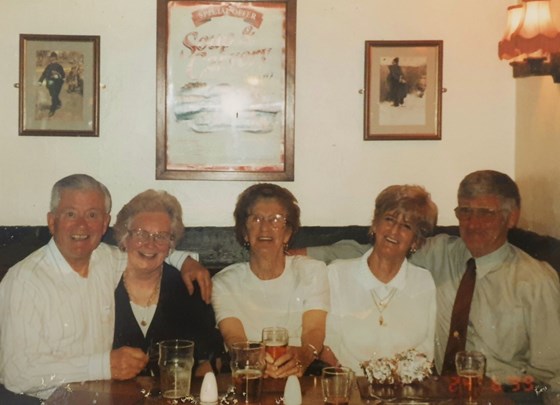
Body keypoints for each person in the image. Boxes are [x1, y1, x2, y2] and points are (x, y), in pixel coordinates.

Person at [305, 170, 560, 391]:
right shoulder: (443, 253)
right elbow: (374, 250)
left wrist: (504, 393)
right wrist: (290, 254)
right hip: (438, 393)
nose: (473, 223)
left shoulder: (536, 281)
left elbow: (551, 376)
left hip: (504, 394)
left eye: (486, 213)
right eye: (465, 211)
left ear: (511, 217)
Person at [0, 174, 211, 401]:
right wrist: (103, 366)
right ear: (52, 221)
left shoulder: (105, 260)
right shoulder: (25, 281)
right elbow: (17, 374)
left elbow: (148, 251)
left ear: (104, 224)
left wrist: (185, 261)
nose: (82, 225)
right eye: (71, 214)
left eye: (92, 215)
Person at [211, 183, 329, 378]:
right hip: (248, 375)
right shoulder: (224, 282)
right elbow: (234, 338)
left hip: (302, 373)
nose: (265, 228)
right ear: (244, 232)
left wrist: (304, 356)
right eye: (256, 219)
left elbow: (314, 330)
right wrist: (252, 360)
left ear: (288, 233)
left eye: (275, 219)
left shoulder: (312, 271)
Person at [323, 185, 437, 373]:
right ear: (375, 224)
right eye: (389, 219)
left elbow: (427, 350)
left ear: (415, 241)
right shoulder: (336, 275)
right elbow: (327, 347)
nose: (394, 231)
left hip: (406, 394)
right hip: (351, 390)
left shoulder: (424, 281)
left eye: (406, 226)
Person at [112, 189, 222, 376]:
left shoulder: (189, 288)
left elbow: (211, 360)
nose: (150, 244)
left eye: (161, 236)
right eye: (141, 234)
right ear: (125, 238)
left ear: (171, 245)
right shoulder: (104, 284)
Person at [38, 52, 66, 117]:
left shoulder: (59, 66)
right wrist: (40, 81)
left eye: (53, 58)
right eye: (51, 58)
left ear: (56, 58)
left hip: (57, 84)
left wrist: (59, 77)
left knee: (53, 96)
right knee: (53, 95)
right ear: (50, 59)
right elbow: (44, 74)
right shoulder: (48, 66)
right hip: (49, 83)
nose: (52, 59)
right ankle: (58, 102)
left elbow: (63, 75)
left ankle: (52, 109)